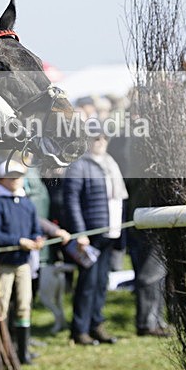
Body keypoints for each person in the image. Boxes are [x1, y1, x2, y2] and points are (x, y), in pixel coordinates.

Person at [62, 124, 128, 346]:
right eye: (95, 138)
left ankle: (96, 324)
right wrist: (80, 233)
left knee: (101, 282)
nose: (100, 141)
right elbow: (71, 201)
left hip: (110, 231)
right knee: (87, 283)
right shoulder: (79, 165)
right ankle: (79, 330)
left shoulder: (110, 163)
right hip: (91, 233)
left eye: (103, 137)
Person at [0, 161, 43, 364]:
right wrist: (18, 242)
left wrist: (37, 238)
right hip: (5, 264)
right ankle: (1, 351)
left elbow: (35, 227)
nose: (16, 180)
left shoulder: (27, 203)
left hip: (23, 264)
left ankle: (23, 352)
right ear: (2, 179)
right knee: (1, 306)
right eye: (11, 176)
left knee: (24, 305)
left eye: (19, 176)